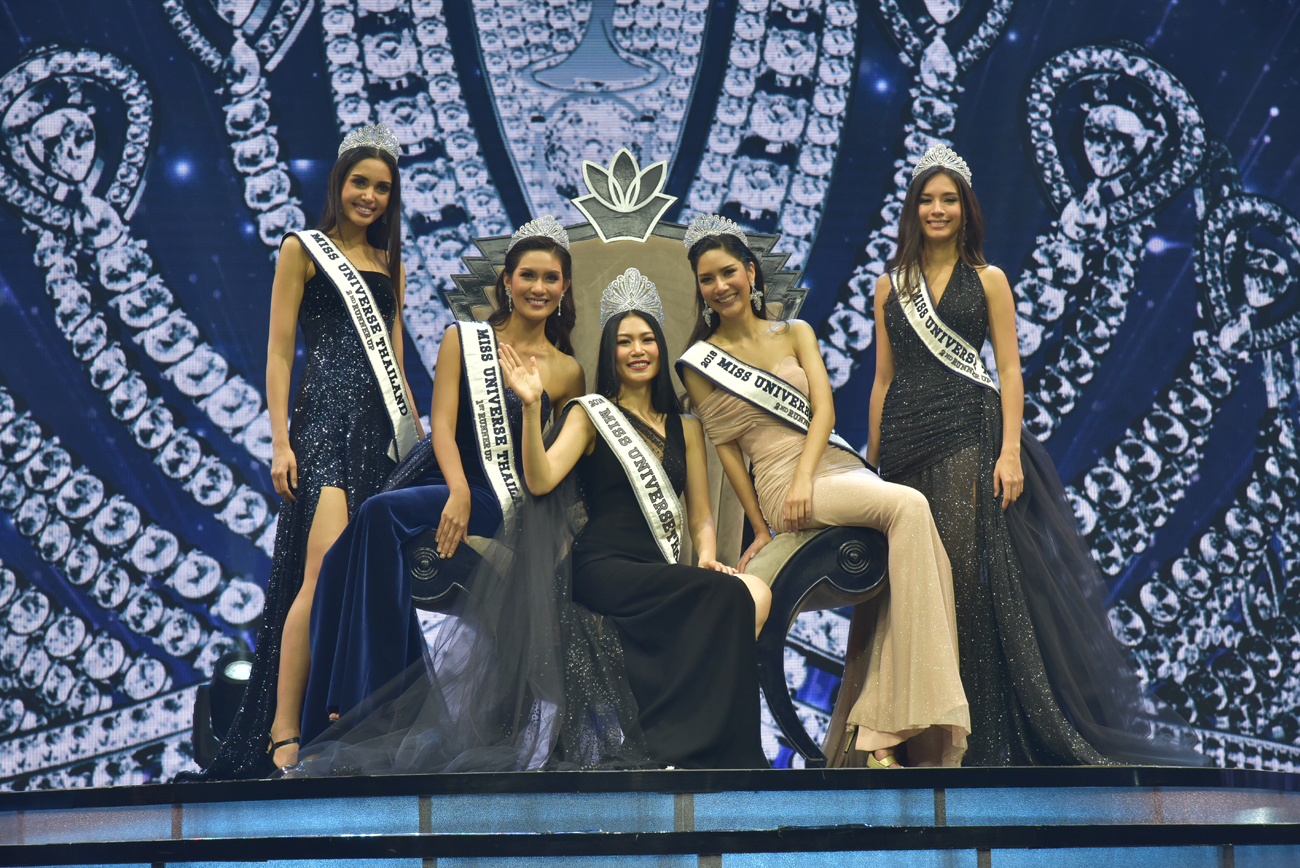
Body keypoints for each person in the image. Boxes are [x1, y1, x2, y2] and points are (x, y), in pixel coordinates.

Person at [867, 145, 1200, 765]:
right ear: (912, 209)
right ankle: (916, 736)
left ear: (965, 209)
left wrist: (1010, 451)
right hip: (906, 440)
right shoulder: (890, 286)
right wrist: (873, 458)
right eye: (927, 199)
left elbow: (1010, 371)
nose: (937, 209)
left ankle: (974, 735)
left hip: (969, 431)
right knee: (908, 584)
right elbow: (884, 379)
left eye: (949, 199)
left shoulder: (989, 280)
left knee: (962, 578)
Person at [678, 214, 969, 768]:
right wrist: (760, 527)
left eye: (728, 272)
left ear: (750, 272)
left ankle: (888, 726)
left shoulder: (795, 332)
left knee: (911, 536)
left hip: (827, 467)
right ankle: (891, 724)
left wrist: (807, 478)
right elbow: (729, 454)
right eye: (707, 279)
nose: (720, 286)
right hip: (779, 481)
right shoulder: (700, 362)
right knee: (910, 505)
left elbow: (824, 413)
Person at [296, 216, 586, 752]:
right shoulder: (463, 339)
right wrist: (456, 491)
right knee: (339, 557)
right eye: (528, 276)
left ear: (565, 287)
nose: (539, 288)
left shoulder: (568, 371)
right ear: (507, 281)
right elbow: (443, 427)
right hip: (452, 478)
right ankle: (355, 703)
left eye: (551, 278)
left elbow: (549, 462)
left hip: (501, 498)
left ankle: (372, 700)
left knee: (378, 514)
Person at [186, 124, 422, 780]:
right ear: (338, 184)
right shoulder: (304, 249)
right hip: (321, 427)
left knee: (364, 580)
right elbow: (277, 352)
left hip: (377, 432)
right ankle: (283, 730)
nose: (370, 196)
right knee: (320, 572)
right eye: (360, 183)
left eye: (382, 187)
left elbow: (396, 361)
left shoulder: (391, 264)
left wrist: (413, 441)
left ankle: (339, 718)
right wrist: (280, 439)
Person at [501, 268, 772, 769]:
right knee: (731, 597)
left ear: (661, 349)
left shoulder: (687, 428)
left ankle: (695, 746)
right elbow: (540, 480)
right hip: (602, 567)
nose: (637, 350)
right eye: (624, 342)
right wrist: (532, 408)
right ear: (610, 352)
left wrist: (706, 557)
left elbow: (700, 517)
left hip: (655, 570)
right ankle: (698, 749)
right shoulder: (589, 414)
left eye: (647, 339)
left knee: (743, 592)